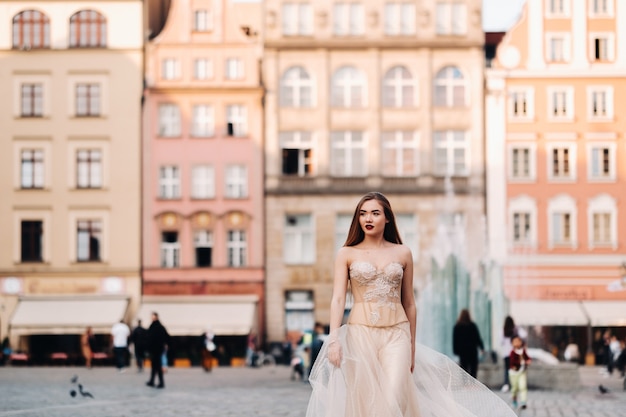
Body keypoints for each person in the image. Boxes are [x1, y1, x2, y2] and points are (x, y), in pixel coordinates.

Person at [306, 192, 516, 417]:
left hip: (397, 334)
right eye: (363, 214)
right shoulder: (346, 253)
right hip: (359, 335)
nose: (368, 218)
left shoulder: (403, 253)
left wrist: (412, 345)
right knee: (364, 400)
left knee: (394, 395)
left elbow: (409, 303)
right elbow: (338, 298)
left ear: (387, 218)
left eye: (375, 213)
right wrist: (334, 340)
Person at [453, 308, 485, 378]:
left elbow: (455, 340)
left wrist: (455, 351)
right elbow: (477, 338)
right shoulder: (472, 325)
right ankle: (472, 385)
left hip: (463, 352)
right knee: (473, 369)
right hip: (472, 351)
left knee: (464, 370)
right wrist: (482, 348)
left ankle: (465, 385)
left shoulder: (457, 326)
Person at [500, 316, 527, 392]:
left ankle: (506, 384)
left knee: (506, 369)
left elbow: (501, 342)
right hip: (514, 352)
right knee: (515, 369)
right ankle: (515, 385)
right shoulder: (516, 329)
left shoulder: (503, 330)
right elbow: (525, 335)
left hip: (506, 353)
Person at [146, 312, 169, 388]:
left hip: (155, 349)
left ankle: (160, 382)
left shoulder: (154, 327)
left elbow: (149, 338)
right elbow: (166, 337)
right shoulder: (160, 327)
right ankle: (153, 381)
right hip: (158, 349)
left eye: (153, 317)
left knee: (157, 366)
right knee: (155, 366)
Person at [509, 335, 531, 409]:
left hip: (522, 372)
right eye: (515, 342)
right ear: (512, 343)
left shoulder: (523, 351)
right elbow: (512, 362)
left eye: (519, 341)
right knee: (514, 388)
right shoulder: (512, 352)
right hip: (513, 373)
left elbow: (527, 357)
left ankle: (523, 402)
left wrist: (528, 360)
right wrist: (523, 362)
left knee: (523, 386)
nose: (517, 343)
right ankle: (514, 400)